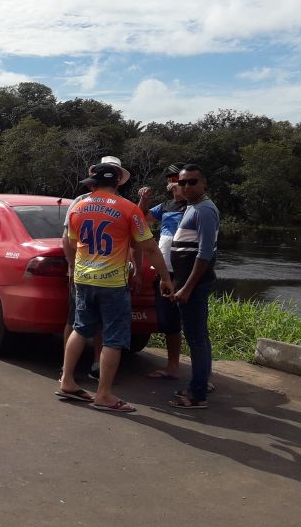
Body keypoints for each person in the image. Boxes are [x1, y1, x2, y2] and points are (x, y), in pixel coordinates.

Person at [58, 162, 173, 413]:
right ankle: (104, 394)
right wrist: (164, 277)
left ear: (94, 184)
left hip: (83, 279)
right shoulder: (129, 209)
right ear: (118, 183)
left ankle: (67, 380)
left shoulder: (78, 207)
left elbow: (70, 242)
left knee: (80, 328)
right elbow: (149, 247)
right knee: (114, 338)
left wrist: (73, 268)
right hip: (112, 284)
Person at [167, 164, 220, 410]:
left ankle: (197, 395)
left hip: (195, 284)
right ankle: (201, 384)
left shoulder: (205, 210)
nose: (185, 186)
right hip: (186, 280)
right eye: (182, 182)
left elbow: (205, 253)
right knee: (198, 336)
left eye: (191, 182)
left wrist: (187, 287)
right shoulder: (193, 207)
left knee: (196, 337)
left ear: (204, 183)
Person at [137, 163, 187, 380]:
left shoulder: (194, 206)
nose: (172, 182)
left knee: (193, 324)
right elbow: (140, 218)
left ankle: (201, 376)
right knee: (169, 323)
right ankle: (173, 366)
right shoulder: (165, 206)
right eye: (170, 179)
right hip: (165, 272)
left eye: (175, 178)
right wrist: (144, 200)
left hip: (186, 273)